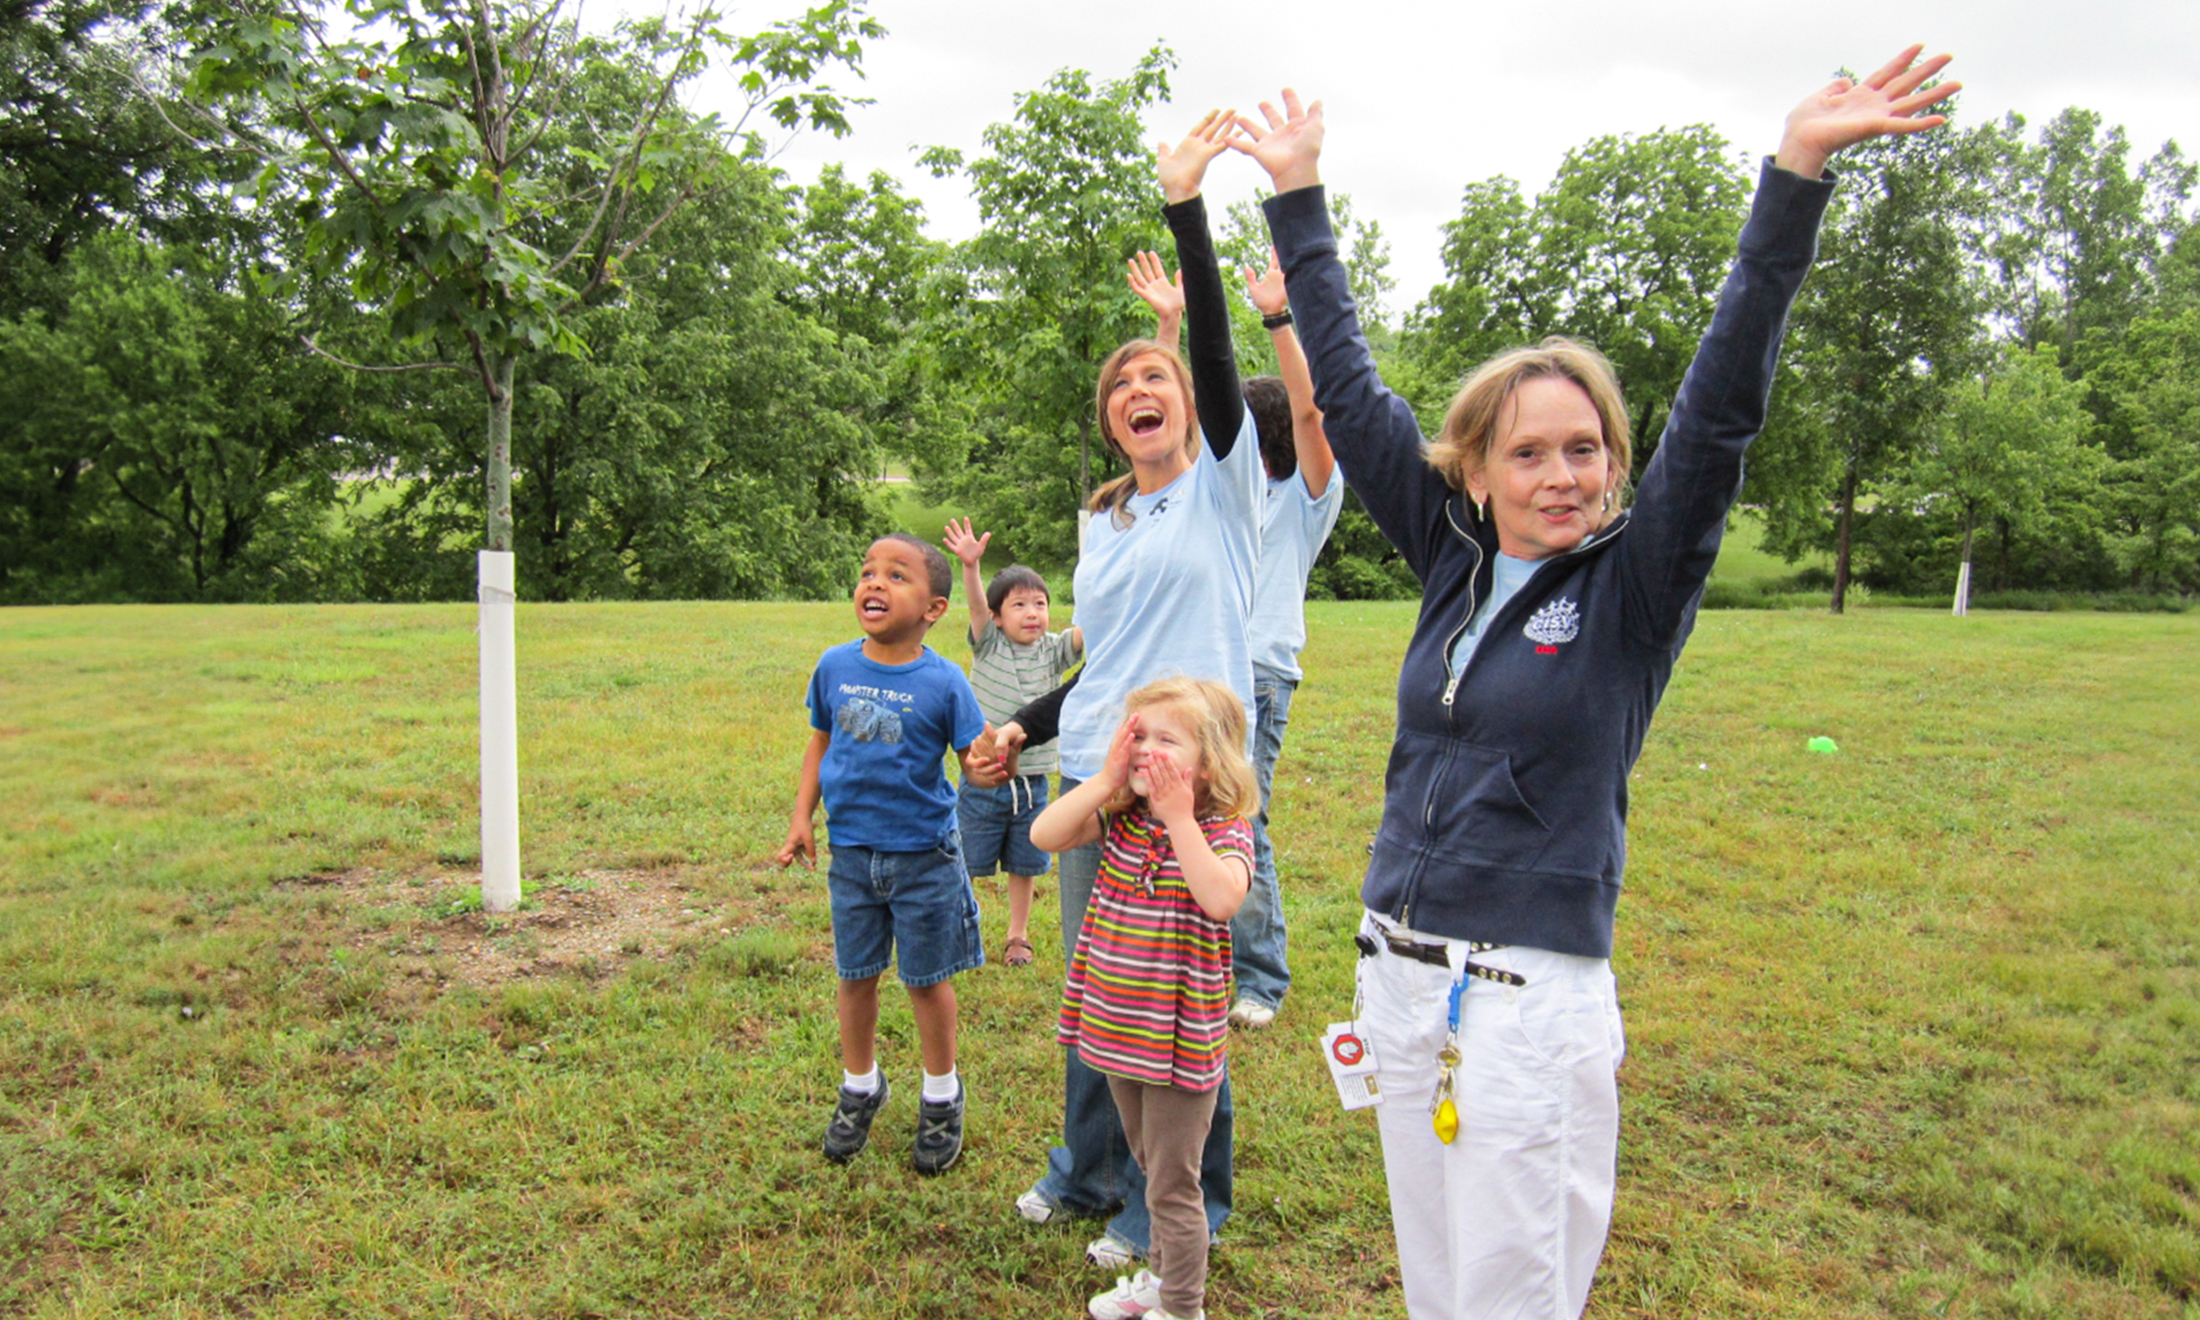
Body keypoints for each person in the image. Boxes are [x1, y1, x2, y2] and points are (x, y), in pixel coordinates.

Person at [1235, 49, 1959, 1319]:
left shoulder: (1632, 590)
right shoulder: (1451, 554)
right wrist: (1298, 199)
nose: (1564, 473)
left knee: (1508, 1298)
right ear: (1476, 468)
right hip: (1397, 978)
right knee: (1434, 1284)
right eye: (1530, 451)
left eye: (1589, 449)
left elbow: (1722, 413)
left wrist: (1792, 178)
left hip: (1523, 1005)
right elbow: (1347, 397)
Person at [1008, 109, 1264, 1274]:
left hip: (1190, 769)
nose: (1137, 389)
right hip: (1096, 767)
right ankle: (1085, 1171)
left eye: (1153, 375)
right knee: (1101, 979)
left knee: (1180, 992)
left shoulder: (1223, 480)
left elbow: (1212, 351)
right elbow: (1096, 659)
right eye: (1120, 385)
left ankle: (1180, 1205)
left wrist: (1186, 207)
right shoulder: (1104, 519)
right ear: (1108, 417)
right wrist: (1026, 722)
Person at [1125, 247, 1343, 1029]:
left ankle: (1259, 976)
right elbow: (1172, 410)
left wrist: (1278, 318)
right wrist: (1168, 323)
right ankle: (1189, 953)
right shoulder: (1212, 493)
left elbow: (1313, 413)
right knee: (1177, 812)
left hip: (1256, 673)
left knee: (1240, 820)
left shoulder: (1309, 494)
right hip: (1197, 671)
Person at [1033, 678, 1259, 1320]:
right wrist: (1105, 779)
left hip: (1177, 1040)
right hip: (1116, 1028)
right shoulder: (1121, 818)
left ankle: (1182, 1306)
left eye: (1167, 740)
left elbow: (1222, 899)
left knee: (1173, 1184)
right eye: (1138, 737)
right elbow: (1045, 837)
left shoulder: (1223, 831)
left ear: (1208, 762)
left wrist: (1181, 818)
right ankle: (1162, 1279)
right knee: (1146, 1160)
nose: (1145, 751)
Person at [775, 532, 990, 1174]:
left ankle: (940, 1095)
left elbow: (971, 759)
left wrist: (987, 770)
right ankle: (860, 1084)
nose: (875, 583)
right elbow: (821, 743)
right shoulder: (835, 666)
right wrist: (801, 818)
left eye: (897, 576)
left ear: (933, 609)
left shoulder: (945, 682)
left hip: (925, 857)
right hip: (852, 855)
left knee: (926, 981)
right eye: (868, 571)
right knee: (854, 974)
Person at [941, 516, 1083, 968]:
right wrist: (970, 568)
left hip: (1034, 781)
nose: (1032, 613)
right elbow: (977, 607)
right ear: (999, 618)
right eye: (1019, 605)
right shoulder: (990, 644)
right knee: (965, 857)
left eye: (1040, 604)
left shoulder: (1055, 648)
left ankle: (1017, 936)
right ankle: (954, 924)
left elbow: (1088, 631)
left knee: (1026, 863)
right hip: (984, 779)